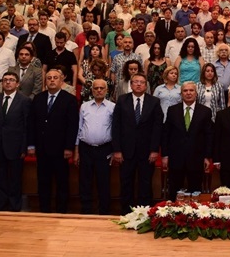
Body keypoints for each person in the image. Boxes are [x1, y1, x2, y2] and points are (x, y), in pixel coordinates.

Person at [111, 72, 164, 214]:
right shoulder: (122, 100)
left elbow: (157, 127)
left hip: (147, 152)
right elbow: (116, 126)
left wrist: (154, 150)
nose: (139, 84)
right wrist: (117, 150)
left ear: (146, 85)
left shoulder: (154, 102)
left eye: (142, 82)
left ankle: (145, 215)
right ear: (131, 84)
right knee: (126, 184)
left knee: (145, 185)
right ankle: (126, 214)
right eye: (136, 81)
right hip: (125, 152)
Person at [28, 68, 79, 213]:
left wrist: (69, 147)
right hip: (42, 148)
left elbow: (72, 126)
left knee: (62, 182)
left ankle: (62, 211)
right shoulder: (38, 98)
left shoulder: (69, 99)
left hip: (61, 149)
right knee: (43, 181)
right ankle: (44, 210)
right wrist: (31, 144)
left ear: (61, 81)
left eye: (55, 77)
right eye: (49, 77)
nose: (51, 80)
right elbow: (32, 123)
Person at [0, 71, 32, 211]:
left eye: (11, 80)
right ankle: (1, 204)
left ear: (17, 84)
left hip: (16, 146)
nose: (8, 82)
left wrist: (24, 148)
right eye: (5, 80)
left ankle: (14, 206)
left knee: (14, 179)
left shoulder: (24, 100)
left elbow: (26, 126)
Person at [162, 81, 213, 201]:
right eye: (185, 91)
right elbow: (166, 133)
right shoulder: (172, 110)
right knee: (174, 191)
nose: (188, 93)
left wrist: (207, 156)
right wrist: (165, 155)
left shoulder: (205, 111)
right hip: (176, 158)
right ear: (181, 94)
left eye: (191, 90)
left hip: (196, 158)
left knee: (195, 192)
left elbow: (209, 135)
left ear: (196, 93)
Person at [74, 79, 115, 214]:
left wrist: (114, 151)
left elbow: (115, 130)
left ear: (106, 90)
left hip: (104, 149)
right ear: (92, 91)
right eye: (96, 88)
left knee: (103, 182)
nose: (98, 90)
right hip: (85, 149)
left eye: (101, 88)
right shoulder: (84, 106)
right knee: (85, 182)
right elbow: (79, 128)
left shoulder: (112, 107)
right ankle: (86, 210)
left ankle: (104, 211)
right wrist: (76, 151)